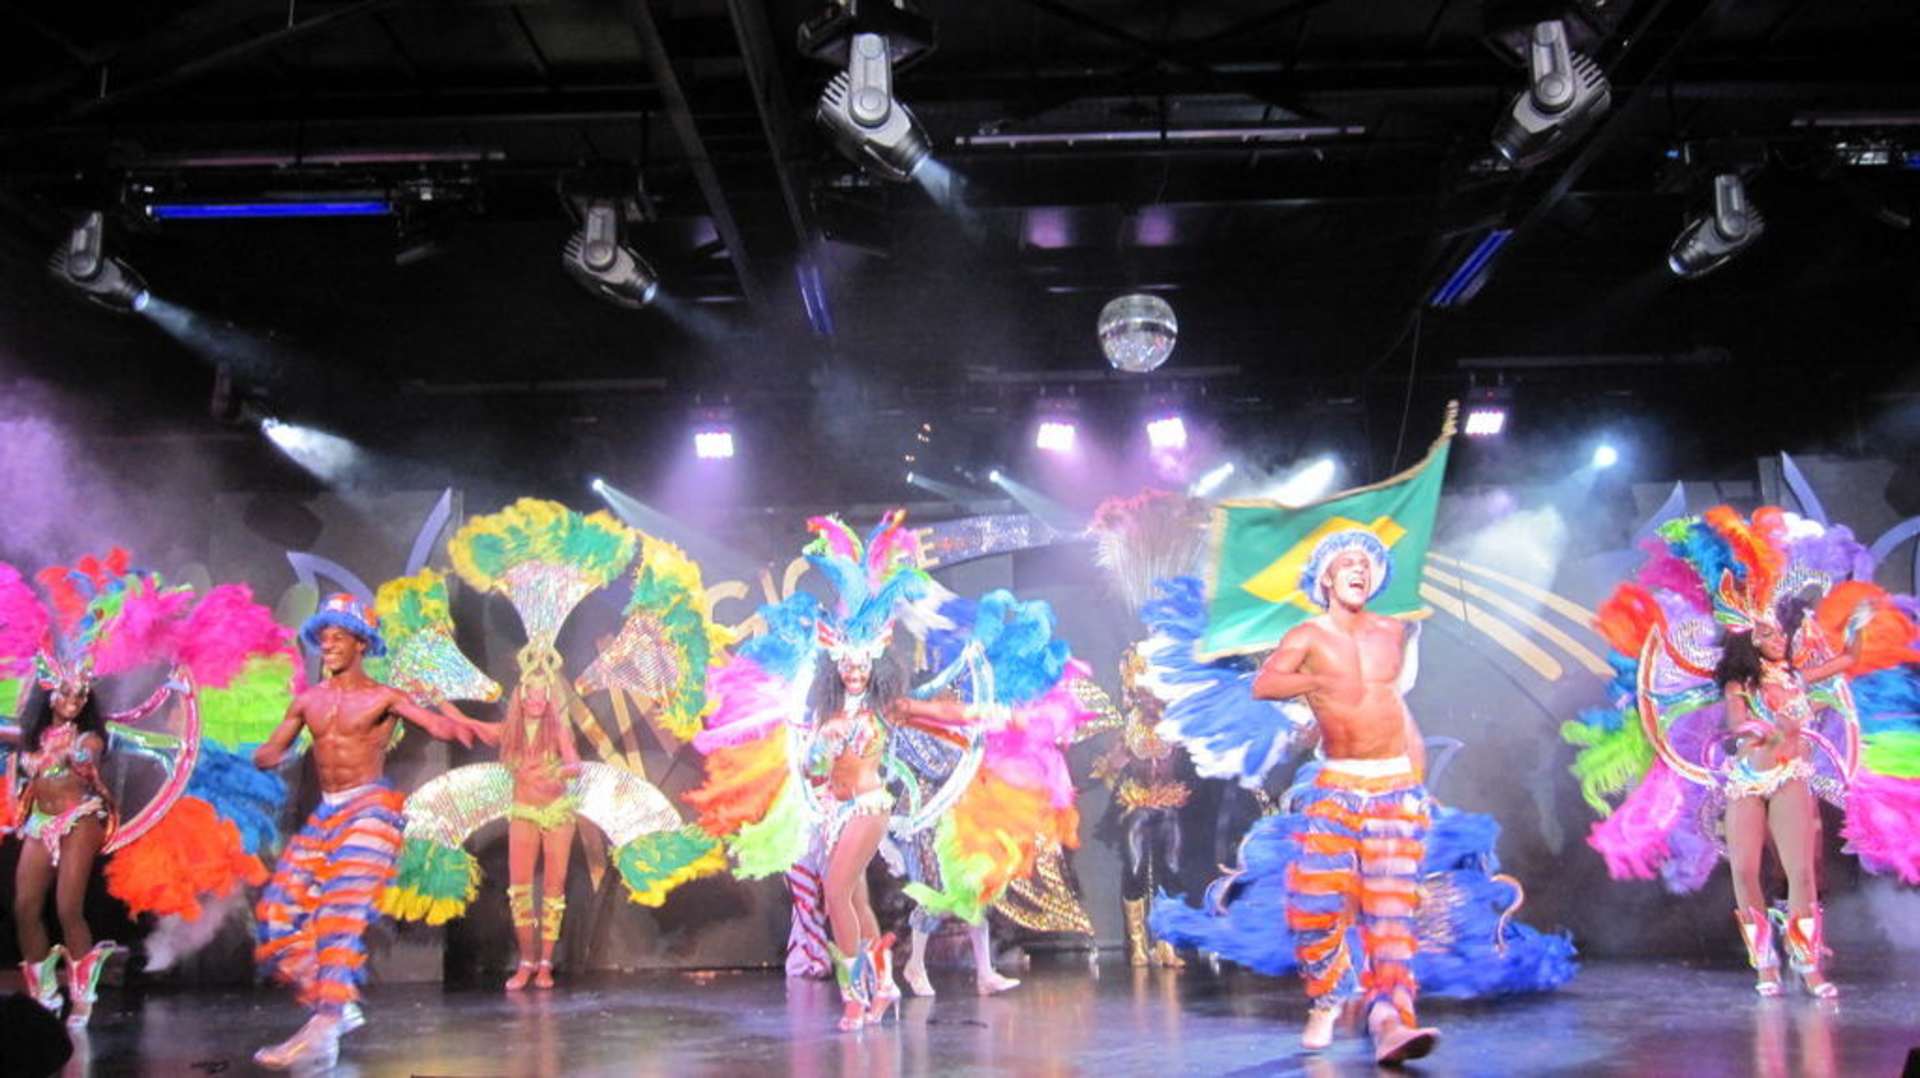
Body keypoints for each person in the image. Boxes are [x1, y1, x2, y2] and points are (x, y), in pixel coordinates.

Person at [1568, 506, 1920, 1001]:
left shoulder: (1797, 676)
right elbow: (1737, 725)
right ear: (1750, 646)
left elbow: (1846, 660)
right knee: (1745, 873)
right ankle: (1766, 964)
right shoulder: (1739, 686)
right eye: (1768, 634)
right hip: (1746, 782)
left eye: (1778, 632)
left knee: (1801, 874)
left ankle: (1810, 967)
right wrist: (1766, 730)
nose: (1779, 637)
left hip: (1791, 777)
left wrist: (1859, 626)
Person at [250, 594, 494, 1070]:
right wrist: (252, 755)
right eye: (323, 638)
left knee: (338, 912)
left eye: (337, 637)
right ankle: (335, 1006)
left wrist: (469, 728)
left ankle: (323, 1025)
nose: (327, 646)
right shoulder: (309, 700)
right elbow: (271, 750)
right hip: (327, 815)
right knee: (278, 916)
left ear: (360, 643)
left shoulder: (384, 698)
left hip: (369, 811)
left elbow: (435, 725)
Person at [1247, 530, 1438, 1065]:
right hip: (1338, 785)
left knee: (1391, 914)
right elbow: (1264, 684)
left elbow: (1398, 708)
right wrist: (1317, 684)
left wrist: (1418, 783)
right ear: (1326, 577)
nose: (1358, 569)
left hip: (1394, 786)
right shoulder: (1308, 635)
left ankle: (1391, 1021)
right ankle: (1329, 996)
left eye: (1366, 564)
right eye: (1347, 562)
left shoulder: (1393, 631)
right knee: (1314, 907)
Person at [3, 668, 117, 1026]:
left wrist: (79, 757)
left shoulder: (88, 738)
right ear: (49, 694)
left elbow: (89, 757)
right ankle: (44, 994)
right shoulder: (32, 737)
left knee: (68, 907)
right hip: (40, 821)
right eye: (66, 693)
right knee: (24, 908)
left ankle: (83, 997)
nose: (74, 701)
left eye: (81, 695)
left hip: (79, 819)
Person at [498, 672, 583, 991]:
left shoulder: (556, 729)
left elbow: (575, 766)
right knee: (519, 890)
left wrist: (555, 773)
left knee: (553, 888)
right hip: (523, 813)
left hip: (557, 813)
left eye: (542, 695)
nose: (536, 701)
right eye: (530, 694)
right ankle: (526, 961)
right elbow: (471, 727)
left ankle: (545, 964)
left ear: (548, 699)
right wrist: (442, 705)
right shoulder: (510, 732)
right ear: (520, 697)